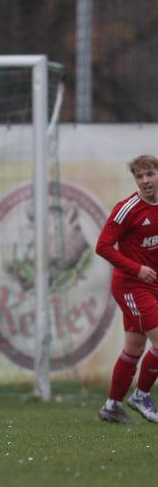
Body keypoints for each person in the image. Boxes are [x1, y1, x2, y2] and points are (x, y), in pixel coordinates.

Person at [96, 154, 158, 423]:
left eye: (150, 174)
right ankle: (141, 395)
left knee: (134, 347)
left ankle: (112, 406)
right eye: (139, 176)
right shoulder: (128, 209)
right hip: (131, 285)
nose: (145, 181)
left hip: (152, 285)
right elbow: (103, 246)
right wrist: (137, 269)